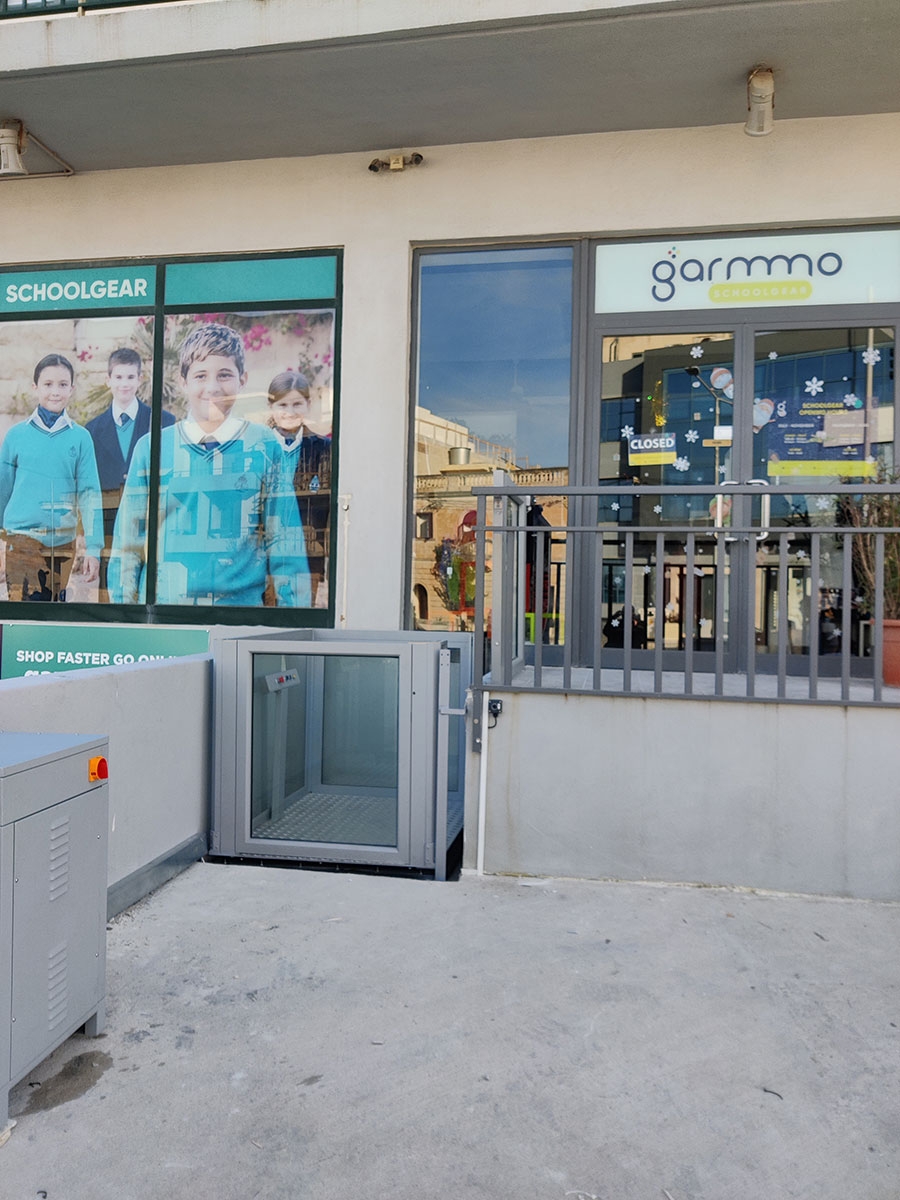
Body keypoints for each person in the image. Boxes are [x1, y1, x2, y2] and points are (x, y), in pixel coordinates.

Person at [109, 323, 310, 607]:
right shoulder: (151, 448)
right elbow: (128, 545)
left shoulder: (264, 446)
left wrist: (295, 617)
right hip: (163, 616)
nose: (212, 387)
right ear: (183, 381)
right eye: (200, 375)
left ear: (243, 379)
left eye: (224, 375)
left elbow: (285, 543)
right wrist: (125, 617)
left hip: (239, 618)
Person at [0, 353, 103, 601]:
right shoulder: (16, 436)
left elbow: (89, 494)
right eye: (48, 384)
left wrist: (94, 548)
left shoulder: (81, 438)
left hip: (62, 545)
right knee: (25, 613)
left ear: (72, 389)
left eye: (62, 384)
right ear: (35, 387)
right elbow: (2, 489)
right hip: (21, 541)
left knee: (52, 611)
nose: (55, 392)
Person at [85, 347, 175, 597]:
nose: (124, 384)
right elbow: (90, 487)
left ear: (140, 379)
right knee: (109, 597)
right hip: (109, 526)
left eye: (130, 377)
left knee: (150, 591)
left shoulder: (164, 422)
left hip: (152, 522)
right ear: (108, 380)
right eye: (118, 377)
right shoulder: (92, 429)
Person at [265, 370, 331, 605]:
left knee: (300, 618)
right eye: (283, 405)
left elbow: (329, 509)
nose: (290, 412)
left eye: (297, 404)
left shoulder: (324, 448)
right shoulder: (257, 448)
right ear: (271, 407)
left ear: (308, 405)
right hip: (262, 558)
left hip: (307, 557)